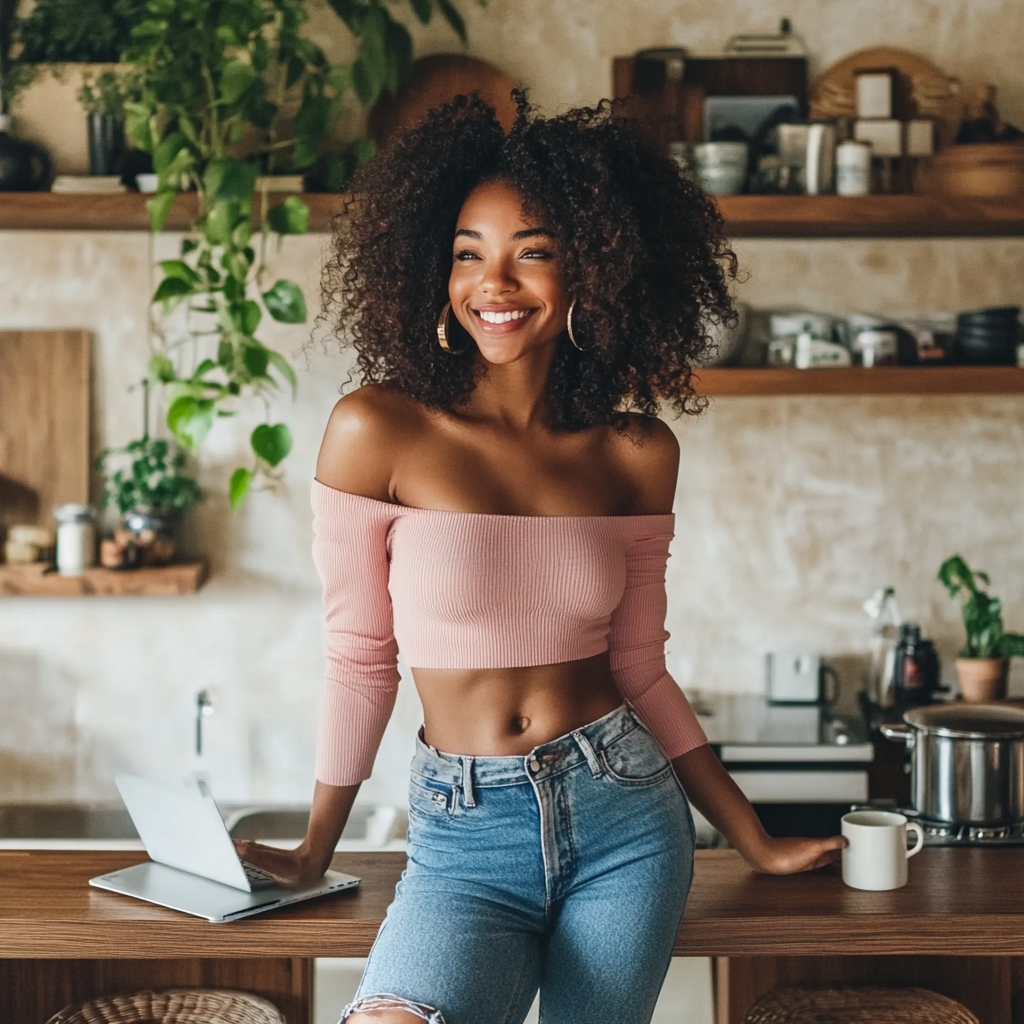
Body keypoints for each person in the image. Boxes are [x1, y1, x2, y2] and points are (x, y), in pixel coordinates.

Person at [237, 93, 844, 1024]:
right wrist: (318, 846)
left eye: (534, 251)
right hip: (463, 833)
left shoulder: (635, 452)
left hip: (626, 819)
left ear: (594, 271)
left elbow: (640, 669)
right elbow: (361, 655)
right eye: (467, 253)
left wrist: (752, 837)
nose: (496, 281)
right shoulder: (376, 430)